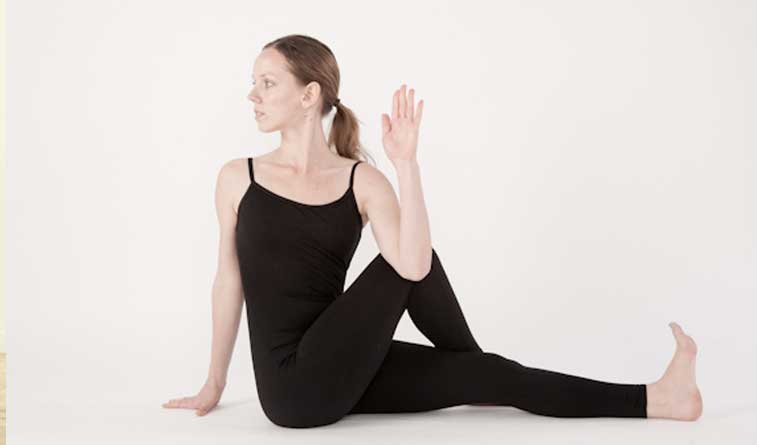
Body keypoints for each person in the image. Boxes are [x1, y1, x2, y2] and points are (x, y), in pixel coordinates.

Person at [162, 34, 703, 428]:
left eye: (267, 83)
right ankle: (474, 359)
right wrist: (214, 382)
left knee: (494, 375)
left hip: (343, 368)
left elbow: (415, 264)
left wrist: (407, 165)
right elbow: (227, 282)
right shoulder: (240, 178)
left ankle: (659, 399)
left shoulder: (362, 180)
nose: (252, 95)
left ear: (309, 96)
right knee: (409, 260)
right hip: (289, 388)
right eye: (253, 83)